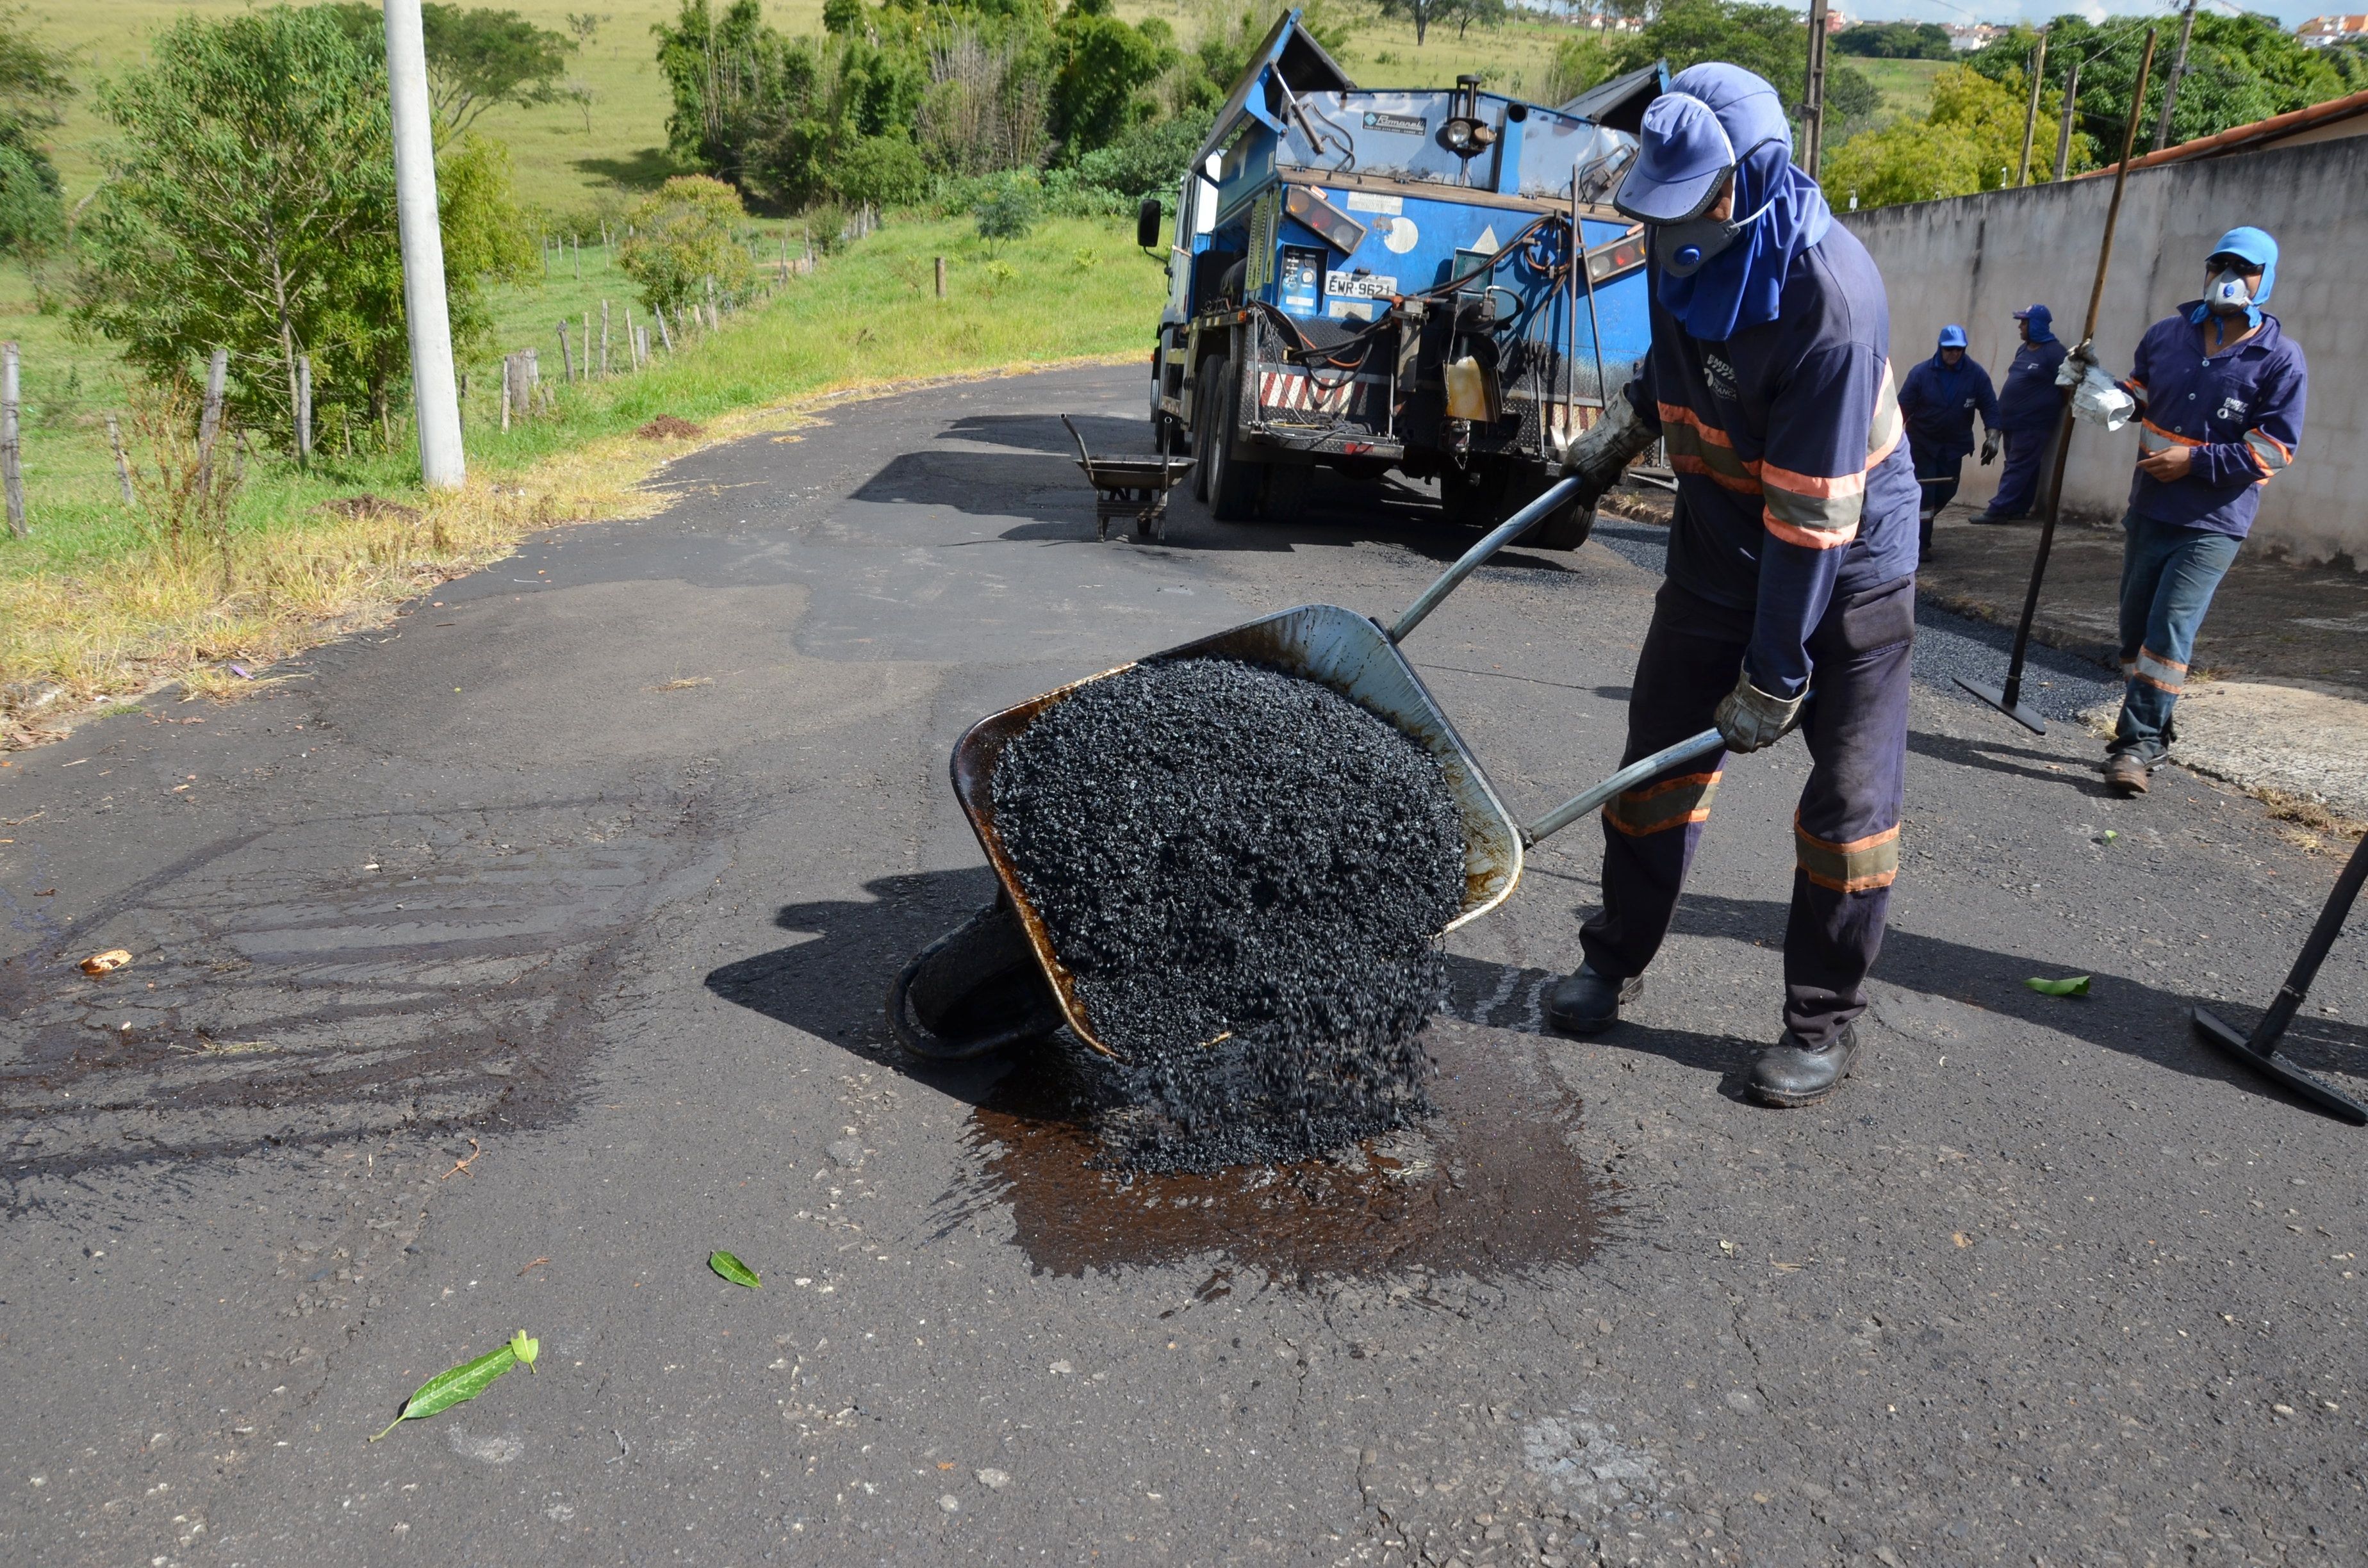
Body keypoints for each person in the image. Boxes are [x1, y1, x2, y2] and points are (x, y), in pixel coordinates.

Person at [1546, 63, 1921, 1109]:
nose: (1672, 226)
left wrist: (1775, 670)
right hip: (1715, 555)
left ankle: (1822, 1024)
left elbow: (1810, 524)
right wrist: (1620, 433)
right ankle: (1612, 958)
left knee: (1849, 810)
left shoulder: (1830, 302)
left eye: (1695, 201)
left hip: (1847, 574)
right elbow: (1672, 368)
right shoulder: (1678, 240)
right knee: (1651, 774)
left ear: (1751, 178)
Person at [2060, 227, 2306, 796]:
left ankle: (2136, 745)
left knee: (2170, 628)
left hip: (2214, 522)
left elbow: (2274, 450)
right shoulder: (2167, 336)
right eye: (2220, 264)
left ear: (2265, 279)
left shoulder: (2279, 359)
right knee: (2134, 633)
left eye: (2244, 269)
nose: (2228, 277)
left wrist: (2193, 462)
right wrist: (2092, 384)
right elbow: (2138, 400)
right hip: (2150, 508)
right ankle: (2155, 726)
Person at [1896, 324, 1999, 555]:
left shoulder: (1976, 375)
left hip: (1954, 446)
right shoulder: (1921, 374)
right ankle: (1920, 546)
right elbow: (1901, 408)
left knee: (1946, 491)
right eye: (1949, 349)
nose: (1954, 354)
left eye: (1958, 349)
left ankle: (1910, 527)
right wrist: (1890, 441)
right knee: (1926, 494)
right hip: (1923, 444)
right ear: (1940, 347)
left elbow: (1990, 406)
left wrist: (1993, 436)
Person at [1972, 304, 2067, 523]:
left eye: (2024, 322)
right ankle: (2018, 507)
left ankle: (1998, 510)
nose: (2020, 327)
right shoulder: (2023, 350)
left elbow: (2067, 387)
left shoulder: (2055, 353)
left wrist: (2045, 407)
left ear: (2037, 325)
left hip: (2033, 423)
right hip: (2012, 421)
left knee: (2018, 466)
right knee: (2024, 465)